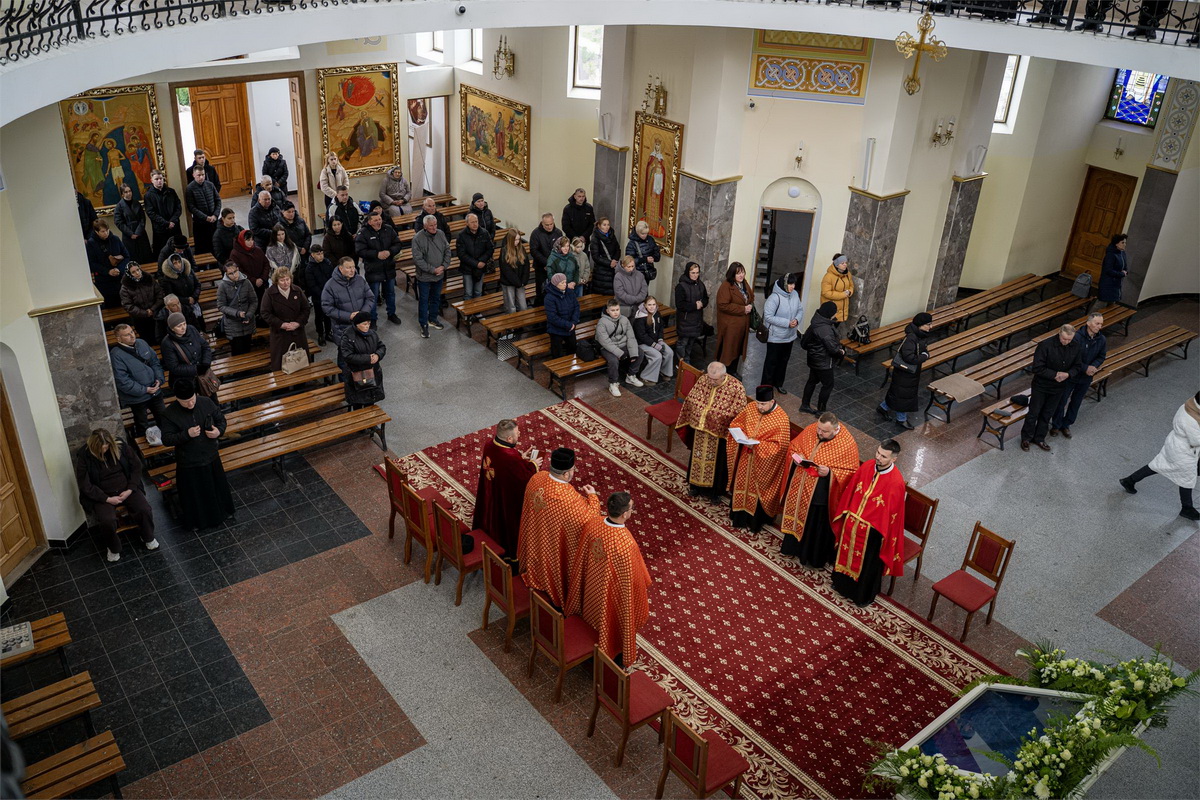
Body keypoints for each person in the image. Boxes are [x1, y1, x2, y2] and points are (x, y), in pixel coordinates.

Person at [565, 491, 652, 666]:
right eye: (631, 508)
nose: (632, 511)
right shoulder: (626, 544)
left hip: (591, 586)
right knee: (613, 615)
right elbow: (636, 580)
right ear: (624, 514)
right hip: (610, 594)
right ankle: (611, 647)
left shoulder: (594, 523)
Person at [518, 447, 601, 602]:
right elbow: (591, 520)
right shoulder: (568, 498)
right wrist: (593, 497)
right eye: (573, 469)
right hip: (553, 549)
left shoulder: (536, 478)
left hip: (536, 538)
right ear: (566, 474)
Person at [832, 439, 907, 607]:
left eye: (884, 456)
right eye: (878, 452)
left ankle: (861, 595)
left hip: (873, 531)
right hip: (853, 521)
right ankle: (840, 583)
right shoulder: (867, 466)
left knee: (867, 563)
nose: (878, 457)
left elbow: (892, 515)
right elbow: (853, 490)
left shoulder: (896, 482)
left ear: (894, 459)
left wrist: (874, 525)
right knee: (845, 551)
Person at [779, 412, 859, 567]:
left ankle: (810, 557)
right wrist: (796, 456)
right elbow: (794, 446)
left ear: (835, 429)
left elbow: (851, 473)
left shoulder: (847, 443)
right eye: (819, 429)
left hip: (821, 495)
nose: (820, 433)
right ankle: (792, 548)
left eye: (825, 431)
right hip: (800, 486)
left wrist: (830, 472)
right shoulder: (812, 429)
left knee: (813, 525)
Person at [160, 379, 234, 530]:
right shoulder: (169, 414)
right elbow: (167, 439)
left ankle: (222, 513)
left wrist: (218, 431)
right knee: (195, 495)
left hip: (210, 456)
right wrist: (187, 434)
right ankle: (198, 522)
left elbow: (221, 420)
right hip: (189, 462)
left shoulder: (206, 402)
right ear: (177, 399)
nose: (190, 404)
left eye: (192, 399)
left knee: (216, 489)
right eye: (185, 402)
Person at [75, 428, 157, 562]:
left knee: (144, 509)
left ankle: (148, 536)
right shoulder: (84, 456)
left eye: (107, 447)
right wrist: (106, 499)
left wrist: (130, 489)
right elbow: (85, 484)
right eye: (101, 448)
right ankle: (113, 548)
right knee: (107, 520)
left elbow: (136, 466)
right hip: (103, 495)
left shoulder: (121, 446)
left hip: (126, 488)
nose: (104, 450)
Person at [1120, 393, 1200, 521]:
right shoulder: (1191, 420)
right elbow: (1196, 440)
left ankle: (1129, 480)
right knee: (1187, 479)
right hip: (1184, 452)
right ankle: (1187, 508)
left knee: (1158, 465)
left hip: (1175, 445)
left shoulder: (1189, 407)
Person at [675, 362, 747, 498]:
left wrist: (714, 415)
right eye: (710, 378)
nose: (711, 382)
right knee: (697, 456)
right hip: (700, 430)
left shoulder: (736, 387)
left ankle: (715, 493)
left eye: (715, 380)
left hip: (720, 434)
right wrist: (703, 412)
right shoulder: (704, 379)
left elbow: (739, 411)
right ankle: (695, 486)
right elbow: (692, 398)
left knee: (718, 463)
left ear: (724, 375)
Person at [473, 419, 542, 557]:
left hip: (490, 488)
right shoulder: (510, 457)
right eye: (517, 432)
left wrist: (520, 458)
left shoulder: (489, 444)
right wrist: (533, 464)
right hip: (503, 498)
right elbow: (523, 478)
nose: (520, 433)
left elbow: (502, 466)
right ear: (509, 439)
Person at [726, 386, 791, 532]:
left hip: (764, 464)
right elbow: (737, 423)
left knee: (756, 489)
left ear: (772, 402)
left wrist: (758, 445)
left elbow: (780, 447)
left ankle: (754, 521)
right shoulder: (750, 408)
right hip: (746, 457)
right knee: (742, 482)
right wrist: (742, 436)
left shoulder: (781, 419)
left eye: (763, 404)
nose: (759, 407)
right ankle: (739, 516)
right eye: (758, 403)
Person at [1021, 324, 1083, 452]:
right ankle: (1026, 438)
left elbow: (1077, 366)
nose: (1066, 342)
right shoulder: (1045, 345)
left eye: (1069, 340)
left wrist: (1068, 374)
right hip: (1041, 385)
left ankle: (1040, 438)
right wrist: (1055, 375)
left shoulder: (1076, 346)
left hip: (1059, 387)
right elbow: (1037, 367)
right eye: (1064, 339)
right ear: (1059, 334)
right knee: (1034, 413)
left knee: (1047, 414)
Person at [1051, 312, 1107, 438]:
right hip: (1071, 375)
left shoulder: (1101, 339)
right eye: (1097, 323)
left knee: (1076, 402)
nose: (1099, 326)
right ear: (1088, 323)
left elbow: (1101, 356)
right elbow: (1070, 357)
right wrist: (1085, 367)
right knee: (1062, 400)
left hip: (1086, 377)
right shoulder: (1076, 337)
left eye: (1101, 324)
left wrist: (1094, 366)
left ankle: (1066, 424)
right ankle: (1056, 425)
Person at [877, 312, 934, 430]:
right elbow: (909, 357)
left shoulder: (919, 335)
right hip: (905, 372)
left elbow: (921, 349)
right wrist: (924, 356)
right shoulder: (911, 338)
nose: (931, 326)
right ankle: (901, 419)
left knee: (898, 393)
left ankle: (883, 407)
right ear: (920, 325)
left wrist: (924, 353)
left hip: (910, 372)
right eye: (928, 324)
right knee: (903, 395)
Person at [110, 323, 167, 436]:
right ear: (119, 338)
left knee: (164, 420)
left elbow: (155, 362)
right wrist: (144, 389)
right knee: (142, 426)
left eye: (132, 332)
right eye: (127, 335)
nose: (132, 336)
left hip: (155, 391)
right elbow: (122, 381)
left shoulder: (142, 343)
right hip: (137, 399)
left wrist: (159, 380)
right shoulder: (116, 355)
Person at [260, 266, 311, 371]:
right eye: (282, 280)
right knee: (280, 365)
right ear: (276, 281)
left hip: (297, 332)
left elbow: (306, 309)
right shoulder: (269, 293)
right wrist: (281, 324)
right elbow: (265, 313)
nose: (285, 283)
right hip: (280, 334)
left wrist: (298, 323)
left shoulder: (297, 290)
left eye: (287, 279)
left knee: (300, 363)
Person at [356, 211, 402, 325]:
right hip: (373, 270)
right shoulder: (363, 233)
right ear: (369, 222)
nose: (378, 222)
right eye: (375, 220)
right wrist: (376, 254)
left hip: (389, 268)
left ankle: (391, 314)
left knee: (390, 293)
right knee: (373, 296)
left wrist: (390, 252)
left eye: (379, 219)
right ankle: (372, 319)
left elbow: (397, 244)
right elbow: (360, 250)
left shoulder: (388, 229)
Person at [800, 301, 845, 415]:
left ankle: (805, 405)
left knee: (812, 381)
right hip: (824, 362)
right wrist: (841, 353)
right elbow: (832, 349)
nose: (835, 315)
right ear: (830, 314)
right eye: (834, 313)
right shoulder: (825, 329)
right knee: (828, 385)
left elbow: (804, 343)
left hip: (814, 359)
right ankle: (821, 410)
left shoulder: (815, 322)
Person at [761, 273, 803, 394]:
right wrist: (787, 323)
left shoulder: (795, 294)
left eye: (794, 284)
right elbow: (768, 317)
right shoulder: (774, 298)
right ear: (784, 284)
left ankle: (778, 384)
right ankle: (766, 387)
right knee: (771, 363)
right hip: (776, 337)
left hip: (789, 336)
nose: (793, 286)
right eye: (790, 284)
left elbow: (800, 309)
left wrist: (797, 320)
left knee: (783, 362)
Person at [322, 256, 375, 347]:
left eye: (353, 267)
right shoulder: (330, 286)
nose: (352, 270)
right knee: (345, 353)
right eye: (348, 268)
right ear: (340, 268)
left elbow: (370, 297)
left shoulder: (360, 280)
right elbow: (327, 308)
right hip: (343, 329)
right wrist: (349, 316)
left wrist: (362, 313)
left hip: (361, 326)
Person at [596, 299, 645, 396]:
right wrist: (620, 353)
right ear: (607, 311)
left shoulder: (624, 319)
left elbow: (631, 337)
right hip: (607, 348)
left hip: (622, 344)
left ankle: (631, 375)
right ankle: (613, 383)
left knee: (639, 352)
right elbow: (605, 342)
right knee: (613, 361)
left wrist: (633, 353)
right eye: (613, 310)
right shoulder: (602, 323)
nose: (615, 312)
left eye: (617, 310)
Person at [412, 214, 450, 338]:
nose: (434, 228)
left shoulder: (441, 234)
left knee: (436, 298)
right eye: (431, 226)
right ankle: (423, 324)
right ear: (425, 226)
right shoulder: (417, 239)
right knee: (424, 301)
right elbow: (418, 259)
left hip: (439, 274)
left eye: (435, 225)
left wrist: (443, 266)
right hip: (424, 277)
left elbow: (447, 250)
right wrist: (433, 270)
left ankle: (433, 319)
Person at [339, 311, 386, 409]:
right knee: (357, 403)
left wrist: (377, 355)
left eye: (369, 323)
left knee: (370, 402)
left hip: (372, 373)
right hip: (356, 375)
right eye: (364, 324)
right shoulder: (348, 336)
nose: (367, 326)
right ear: (357, 324)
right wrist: (368, 358)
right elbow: (347, 355)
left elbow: (381, 346)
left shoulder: (372, 334)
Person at [715, 262, 754, 377]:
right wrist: (743, 309)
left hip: (742, 325)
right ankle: (724, 372)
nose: (741, 275)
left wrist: (750, 304)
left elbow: (751, 296)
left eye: (742, 272)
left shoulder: (744, 283)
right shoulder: (726, 286)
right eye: (738, 273)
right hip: (730, 325)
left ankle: (732, 371)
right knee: (728, 349)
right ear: (732, 274)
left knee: (737, 349)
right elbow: (723, 305)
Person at [216, 261, 259, 356]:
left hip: (248, 322)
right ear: (226, 274)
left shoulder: (246, 282)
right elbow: (221, 306)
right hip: (233, 324)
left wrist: (249, 315)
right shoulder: (222, 286)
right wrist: (237, 313)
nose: (234, 275)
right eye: (230, 273)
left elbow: (254, 301)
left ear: (238, 269)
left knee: (248, 350)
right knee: (237, 351)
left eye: (235, 272)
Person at [86, 220, 130, 307]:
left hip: (119, 277)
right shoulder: (91, 244)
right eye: (103, 231)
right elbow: (92, 263)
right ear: (96, 232)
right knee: (110, 306)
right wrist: (108, 271)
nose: (106, 233)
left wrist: (119, 269)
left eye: (107, 230)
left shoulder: (115, 239)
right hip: (104, 281)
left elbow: (126, 256)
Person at [673, 262, 710, 366]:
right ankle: (681, 362)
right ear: (687, 272)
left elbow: (706, 298)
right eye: (693, 273)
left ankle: (687, 360)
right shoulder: (681, 286)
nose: (695, 275)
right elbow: (680, 305)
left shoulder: (700, 284)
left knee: (690, 343)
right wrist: (694, 306)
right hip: (685, 320)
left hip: (696, 320)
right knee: (682, 343)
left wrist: (702, 303)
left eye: (697, 273)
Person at [632, 297, 675, 386]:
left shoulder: (657, 314)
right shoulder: (640, 318)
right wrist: (653, 345)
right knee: (657, 356)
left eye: (653, 304)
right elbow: (641, 335)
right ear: (645, 305)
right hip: (642, 343)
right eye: (649, 305)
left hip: (656, 341)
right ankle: (646, 377)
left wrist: (660, 340)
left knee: (669, 352)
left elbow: (661, 327)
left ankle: (664, 371)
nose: (652, 307)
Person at [119, 262, 163, 343]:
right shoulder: (125, 287)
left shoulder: (149, 278)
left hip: (155, 313)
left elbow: (159, 295)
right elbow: (128, 306)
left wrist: (152, 309)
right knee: (147, 339)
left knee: (160, 336)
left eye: (138, 270)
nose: (137, 273)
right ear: (129, 274)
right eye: (133, 272)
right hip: (140, 318)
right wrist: (145, 313)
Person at [457, 212, 495, 301]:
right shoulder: (462, 235)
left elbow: (490, 249)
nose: (475, 224)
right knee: (468, 293)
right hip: (467, 268)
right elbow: (461, 254)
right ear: (467, 223)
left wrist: (482, 261)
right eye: (472, 222)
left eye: (476, 221)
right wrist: (476, 263)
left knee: (478, 291)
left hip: (480, 267)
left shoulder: (484, 233)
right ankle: (468, 310)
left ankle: (477, 309)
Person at [143, 169, 183, 255]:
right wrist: (166, 223)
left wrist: (172, 221)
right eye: (156, 179)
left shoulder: (171, 191)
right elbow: (151, 213)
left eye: (161, 178)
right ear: (151, 180)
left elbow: (178, 208)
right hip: (160, 230)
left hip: (174, 227)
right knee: (163, 254)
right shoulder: (148, 195)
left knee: (179, 252)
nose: (159, 181)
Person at [302, 245, 334, 346]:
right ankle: (321, 334)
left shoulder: (327, 263)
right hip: (318, 297)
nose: (321, 256)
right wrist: (323, 295)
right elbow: (311, 285)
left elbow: (332, 278)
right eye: (318, 254)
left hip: (329, 294)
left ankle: (328, 332)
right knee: (319, 316)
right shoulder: (309, 268)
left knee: (328, 315)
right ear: (312, 255)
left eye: (322, 253)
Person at [230, 229, 271, 310]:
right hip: (246, 287)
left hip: (261, 284)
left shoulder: (257, 250)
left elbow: (266, 264)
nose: (251, 242)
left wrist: (262, 278)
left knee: (262, 306)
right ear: (242, 240)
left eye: (252, 239)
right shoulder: (235, 254)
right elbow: (239, 271)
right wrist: (254, 280)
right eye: (248, 240)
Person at [114, 183, 154, 264]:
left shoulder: (137, 203)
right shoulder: (119, 206)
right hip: (128, 237)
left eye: (130, 191)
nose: (129, 193)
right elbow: (119, 222)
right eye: (126, 192)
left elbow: (142, 219)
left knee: (145, 256)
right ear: (122, 194)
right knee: (133, 259)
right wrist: (131, 234)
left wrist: (138, 232)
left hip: (140, 234)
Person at [185, 165, 220, 257]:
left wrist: (215, 215)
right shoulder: (190, 188)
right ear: (193, 175)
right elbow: (191, 207)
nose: (201, 177)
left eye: (203, 175)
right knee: (203, 248)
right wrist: (205, 217)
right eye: (198, 175)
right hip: (200, 223)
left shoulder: (210, 185)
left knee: (215, 245)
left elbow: (218, 200)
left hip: (213, 220)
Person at [530, 213, 563, 307]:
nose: (549, 227)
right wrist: (547, 263)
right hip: (541, 267)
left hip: (555, 267)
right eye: (547, 225)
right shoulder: (536, 234)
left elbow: (561, 249)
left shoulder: (558, 233)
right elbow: (534, 251)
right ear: (542, 223)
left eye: (551, 224)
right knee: (541, 291)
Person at [544, 273, 580, 358]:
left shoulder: (570, 292)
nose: (565, 284)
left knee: (572, 349)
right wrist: (568, 325)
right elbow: (552, 317)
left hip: (570, 327)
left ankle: (572, 365)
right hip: (556, 329)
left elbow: (576, 307)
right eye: (562, 283)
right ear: (556, 284)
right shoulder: (549, 298)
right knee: (557, 354)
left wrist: (573, 322)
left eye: (565, 282)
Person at [499, 229, 531, 314]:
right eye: (515, 240)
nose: (517, 242)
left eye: (518, 239)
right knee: (511, 307)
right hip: (508, 282)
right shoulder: (504, 250)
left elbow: (526, 265)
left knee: (523, 306)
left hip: (520, 281)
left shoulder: (521, 248)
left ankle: (522, 321)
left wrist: (524, 280)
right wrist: (517, 282)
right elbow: (506, 270)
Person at [589, 217, 621, 297]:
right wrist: (609, 263)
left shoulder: (612, 235)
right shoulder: (595, 238)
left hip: (613, 269)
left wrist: (615, 260)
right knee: (601, 296)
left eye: (608, 225)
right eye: (604, 225)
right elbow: (595, 256)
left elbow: (617, 249)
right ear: (599, 226)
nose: (607, 227)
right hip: (601, 272)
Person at [820, 254, 854, 323]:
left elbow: (851, 286)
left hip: (843, 310)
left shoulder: (848, 274)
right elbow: (825, 293)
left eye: (846, 263)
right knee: (829, 327)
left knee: (836, 327)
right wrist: (843, 294)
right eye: (842, 263)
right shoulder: (828, 276)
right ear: (837, 265)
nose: (845, 265)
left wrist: (849, 292)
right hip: (831, 311)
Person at [1097, 233, 1129, 305]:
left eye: (1125, 243)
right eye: (1122, 243)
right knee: (1101, 304)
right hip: (1107, 284)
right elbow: (1108, 270)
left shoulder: (1122, 253)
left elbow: (1125, 266)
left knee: (1111, 304)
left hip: (1116, 284)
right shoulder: (1110, 255)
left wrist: (1125, 272)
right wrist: (1122, 274)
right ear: (1116, 244)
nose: (1125, 245)